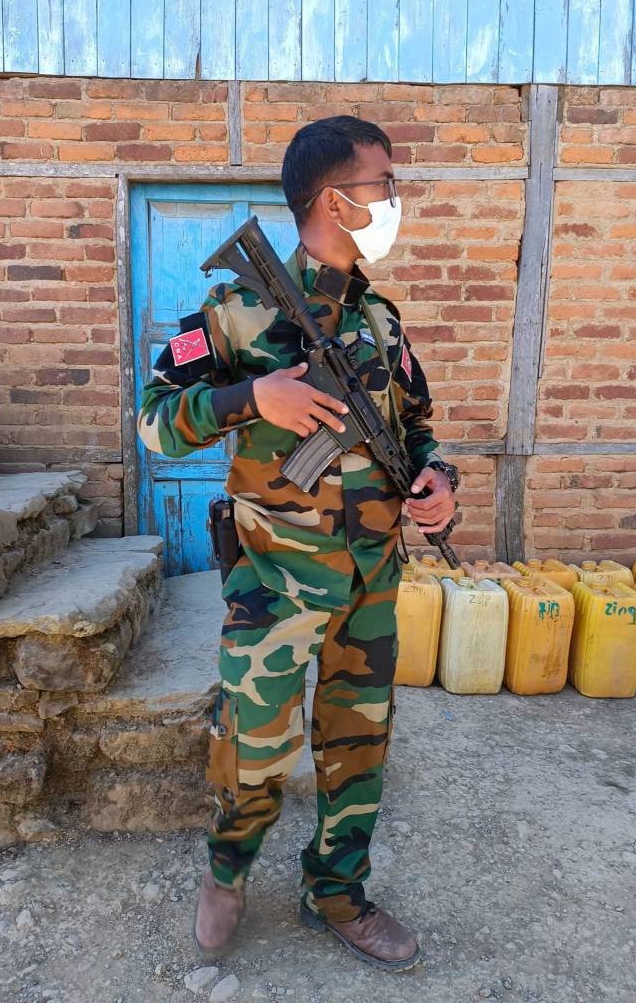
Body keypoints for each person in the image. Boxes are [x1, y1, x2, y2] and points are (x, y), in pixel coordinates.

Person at [136, 115, 459, 973]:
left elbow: (418, 426)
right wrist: (253, 399)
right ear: (335, 200)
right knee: (252, 741)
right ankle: (227, 872)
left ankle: (337, 891)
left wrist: (437, 478)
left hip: (371, 579)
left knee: (359, 744)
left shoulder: (383, 321)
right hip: (274, 581)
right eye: (384, 185)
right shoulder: (235, 312)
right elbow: (155, 422)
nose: (394, 200)